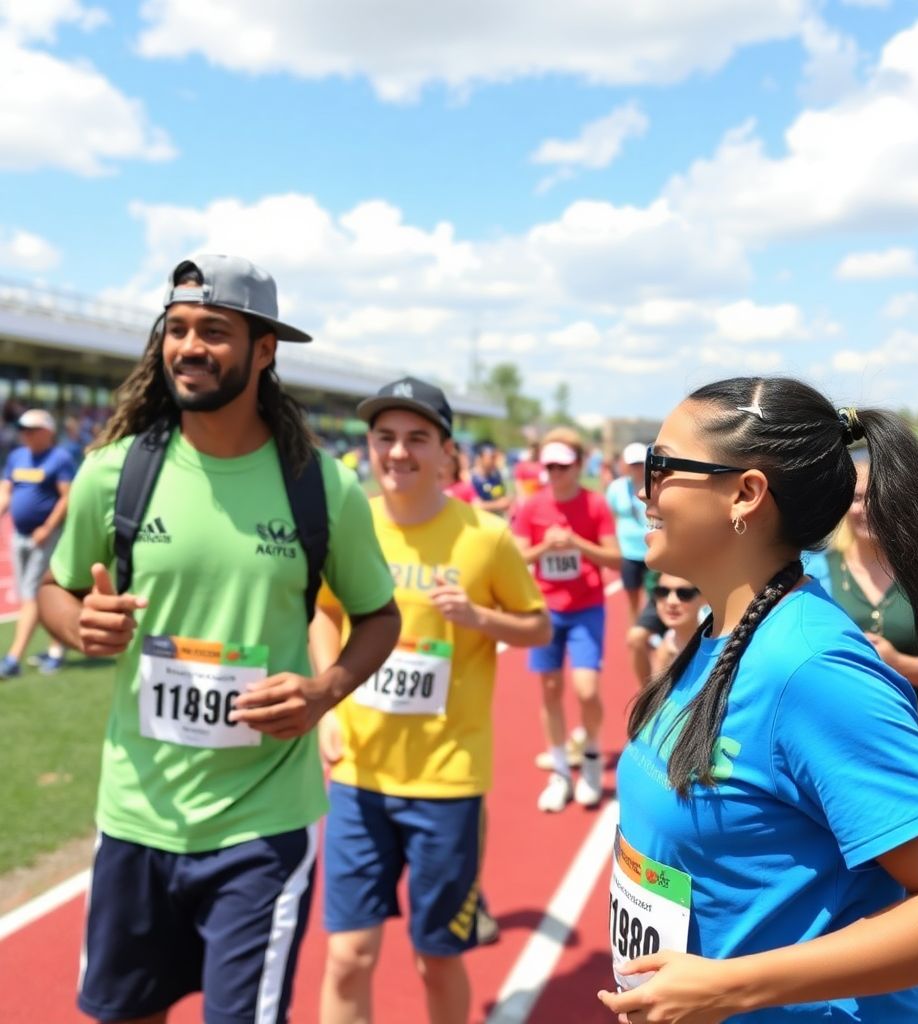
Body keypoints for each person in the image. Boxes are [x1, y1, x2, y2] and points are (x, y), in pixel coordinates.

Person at [37, 254, 400, 1024]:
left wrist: (323, 691)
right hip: (136, 813)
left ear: (265, 350)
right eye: (176, 329)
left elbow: (380, 617)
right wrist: (79, 625)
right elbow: (55, 593)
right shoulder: (113, 474)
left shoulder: (321, 486)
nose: (189, 346)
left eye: (214, 330)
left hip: (261, 826)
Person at [599, 376, 918, 1022]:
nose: (643, 490)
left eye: (662, 466)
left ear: (745, 494)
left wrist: (728, 986)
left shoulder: (811, 669)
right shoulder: (722, 628)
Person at [311, 376, 549, 1024]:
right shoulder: (347, 525)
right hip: (360, 775)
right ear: (369, 447)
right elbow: (324, 614)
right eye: (384, 437)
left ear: (447, 454)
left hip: (447, 780)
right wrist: (328, 704)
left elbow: (537, 626)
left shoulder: (485, 537)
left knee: (436, 956)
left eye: (417, 438)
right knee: (348, 957)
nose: (398, 452)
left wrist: (478, 617)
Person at [512, 427, 620, 812]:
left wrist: (577, 544)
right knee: (550, 690)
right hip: (544, 609)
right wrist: (546, 546)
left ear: (578, 465)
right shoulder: (531, 507)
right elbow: (518, 557)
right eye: (550, 466)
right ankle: (559, 769)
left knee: (587, 689)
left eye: (563, 465)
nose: (556, 472)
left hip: (586, 607)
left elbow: (614, 559)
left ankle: (590, 756)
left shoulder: (594, 505)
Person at [826, 455, 918, 769]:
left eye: (877, 497)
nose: (866, 508)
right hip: (840, 747)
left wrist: (900, 664)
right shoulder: (818, 572)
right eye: (856, 498)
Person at [0, 409, 76, 677]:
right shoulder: (17, 457)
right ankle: (56, 648)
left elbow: (67, 497)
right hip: (19, 535)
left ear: (47, 431)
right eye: (23, 430)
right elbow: (6, 490)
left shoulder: (60, 458)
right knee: (31, 596)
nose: (26, 434)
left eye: (32, 430)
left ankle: (12, 659)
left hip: (46, 537)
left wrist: (47, 527)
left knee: (32, 593)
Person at [605, 442, 650, 621]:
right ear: (625, 465)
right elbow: (610, 517)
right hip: (628, 552)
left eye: (640, 463)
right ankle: (635, 635)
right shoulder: (616, 488)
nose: (637, 468)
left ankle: (653, 638)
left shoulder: (655, 485)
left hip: (652, 551)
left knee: (655, 599)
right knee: (632, 600)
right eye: (633, 464)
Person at [646, 574, 703, 678]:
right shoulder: (665, 646)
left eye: (684, 594)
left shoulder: (719, 646)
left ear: (705, 598)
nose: (671, 601)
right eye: (662, 592)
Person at [470, 441, 512, 515]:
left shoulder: (496, 476)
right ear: (480, 458)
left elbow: (502, 496)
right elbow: (475, 505)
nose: (495, 460)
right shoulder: (471, 479)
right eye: (492, 457)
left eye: (496, 457)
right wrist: (498, 505)